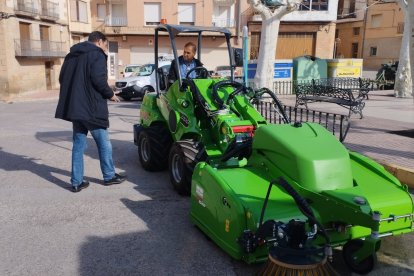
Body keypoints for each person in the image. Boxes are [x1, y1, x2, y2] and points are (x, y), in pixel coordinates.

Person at [55, 31, 126, 193]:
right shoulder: (97, 54)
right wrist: (110, 94)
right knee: (104, 143)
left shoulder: (71, 55)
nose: (106, 49)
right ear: (100, 41)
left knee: (78, 145)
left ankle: (76, 181)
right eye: (106, 45)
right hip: (91, 107)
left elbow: (62, 78)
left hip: (76, 108)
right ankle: (109, 176)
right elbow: (98, 79)